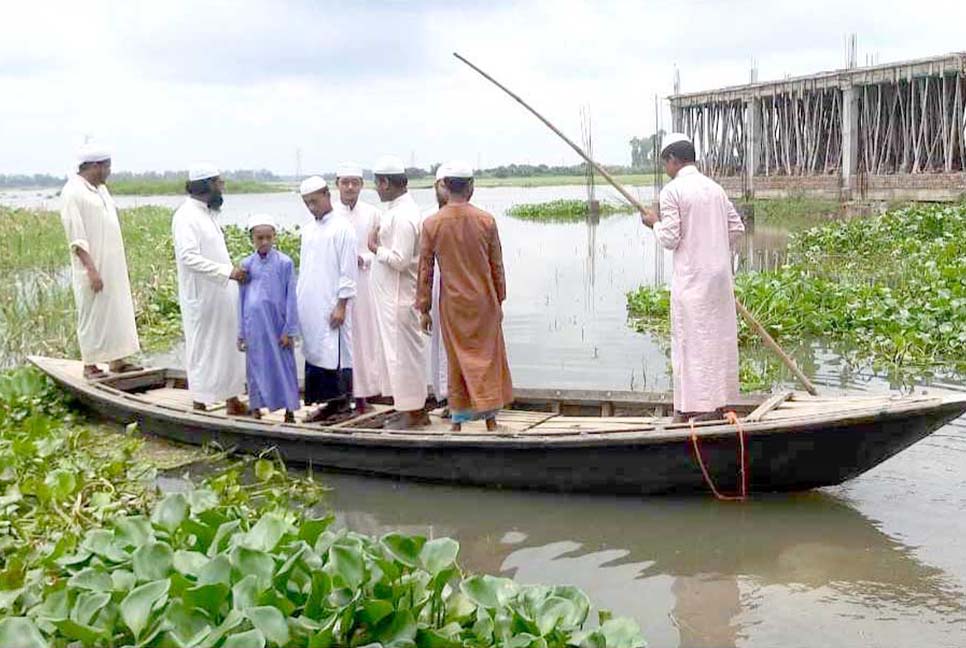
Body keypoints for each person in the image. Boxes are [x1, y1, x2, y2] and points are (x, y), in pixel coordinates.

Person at [640, 133, 745, 422]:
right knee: (718, 340)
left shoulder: (672, 191)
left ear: (673, 160)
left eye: (666, 164)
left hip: (692, 281)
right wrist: (712, 247)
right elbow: (736, 229)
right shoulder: (714, 188)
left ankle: (687, 411)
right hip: (719, 280)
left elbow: (670, 239)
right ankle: (719, 404)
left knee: (689, 343)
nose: (666, 169)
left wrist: (654, 223)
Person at [417, 161, 512, 432]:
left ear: (445, 187)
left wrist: (424, 308)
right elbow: (497, 267)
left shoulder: (432, 223)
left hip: (453, 304)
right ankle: (491, 422)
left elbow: (425, 271)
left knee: (457, 360)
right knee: (487, 359)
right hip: (484, 302)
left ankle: (457, 424)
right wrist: (500, 300)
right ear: (471, 186)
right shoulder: (486, 221)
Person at [60, 144, 141, 379]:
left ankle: (118, 361)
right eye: (107, 167)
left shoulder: (100, 190)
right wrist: (92, 270)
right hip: (92, 267)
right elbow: (76, 237)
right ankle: (90, 365)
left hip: (113, 265)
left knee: (117, 311)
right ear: (95, 166)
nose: (109, 171)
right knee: (92, 314)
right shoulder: (73, 192)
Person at [171, 164, 247, 415]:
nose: (222, 187)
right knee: (203, 348)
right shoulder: (186, 216)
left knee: (227, 347)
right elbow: (188, 257)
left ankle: (231, 399)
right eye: (219, 183)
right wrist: (226, 272)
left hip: (222, 294)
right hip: (202, 297)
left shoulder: (207, 214)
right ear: (206, 185)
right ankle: (200, 400)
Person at [368, 156, 429, 429]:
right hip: (391, 300)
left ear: (385, 183)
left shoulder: (404, 216)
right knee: (397, 357)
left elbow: (401, 260)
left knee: (404, 358)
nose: (376, 190)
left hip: (399, 299)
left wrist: (374, 248)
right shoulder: (395, 211)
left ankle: (415, 412)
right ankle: (406, 407)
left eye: (377, 184)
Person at [296, 176, 358, 422]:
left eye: (315, 201)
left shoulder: (342, 228)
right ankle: (326, 405)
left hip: (333, 304)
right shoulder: (308, 230)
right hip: (310, 304)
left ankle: (342, 405)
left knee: (336, 353)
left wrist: (341, 305)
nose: (312, 207)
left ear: (326, 195)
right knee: (315, 352)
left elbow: (348, 272)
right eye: (307, 203)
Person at [237, 214, 300, 423]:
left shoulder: (285, 263)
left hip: (277, 325)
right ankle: (256, 407)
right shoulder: (246, 264)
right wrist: (241, 332)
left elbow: (291, 297)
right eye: (259, 238)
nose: (264, 242)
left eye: (268, 237)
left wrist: (289, 330)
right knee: (255, 368)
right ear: (252, 239)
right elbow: (242, 299)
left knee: (284, 367)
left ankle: (289, 410)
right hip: (254, 326)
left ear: (274, 237)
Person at [333, 162, 383, 414]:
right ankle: (340, 396)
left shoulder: (373, 213)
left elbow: (380, 248)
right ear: (337, 184)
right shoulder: (330, 214)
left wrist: (363, 258)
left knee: (364, 340)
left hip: (364, 285)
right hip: (336, 288)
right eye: (345, 182)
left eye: (355, 182)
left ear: (362, 185)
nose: (350, 187)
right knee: (338, 341)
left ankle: (363, 396)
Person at [421, 164, 449, 409]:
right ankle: (444, 396)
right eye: (442, 185)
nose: (446, 190)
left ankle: (461, 400)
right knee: (437, 345)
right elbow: (424, 267)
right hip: (436, 292)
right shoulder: (428, 219)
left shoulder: (477, 217)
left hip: (461, 294)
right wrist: (423, 306)